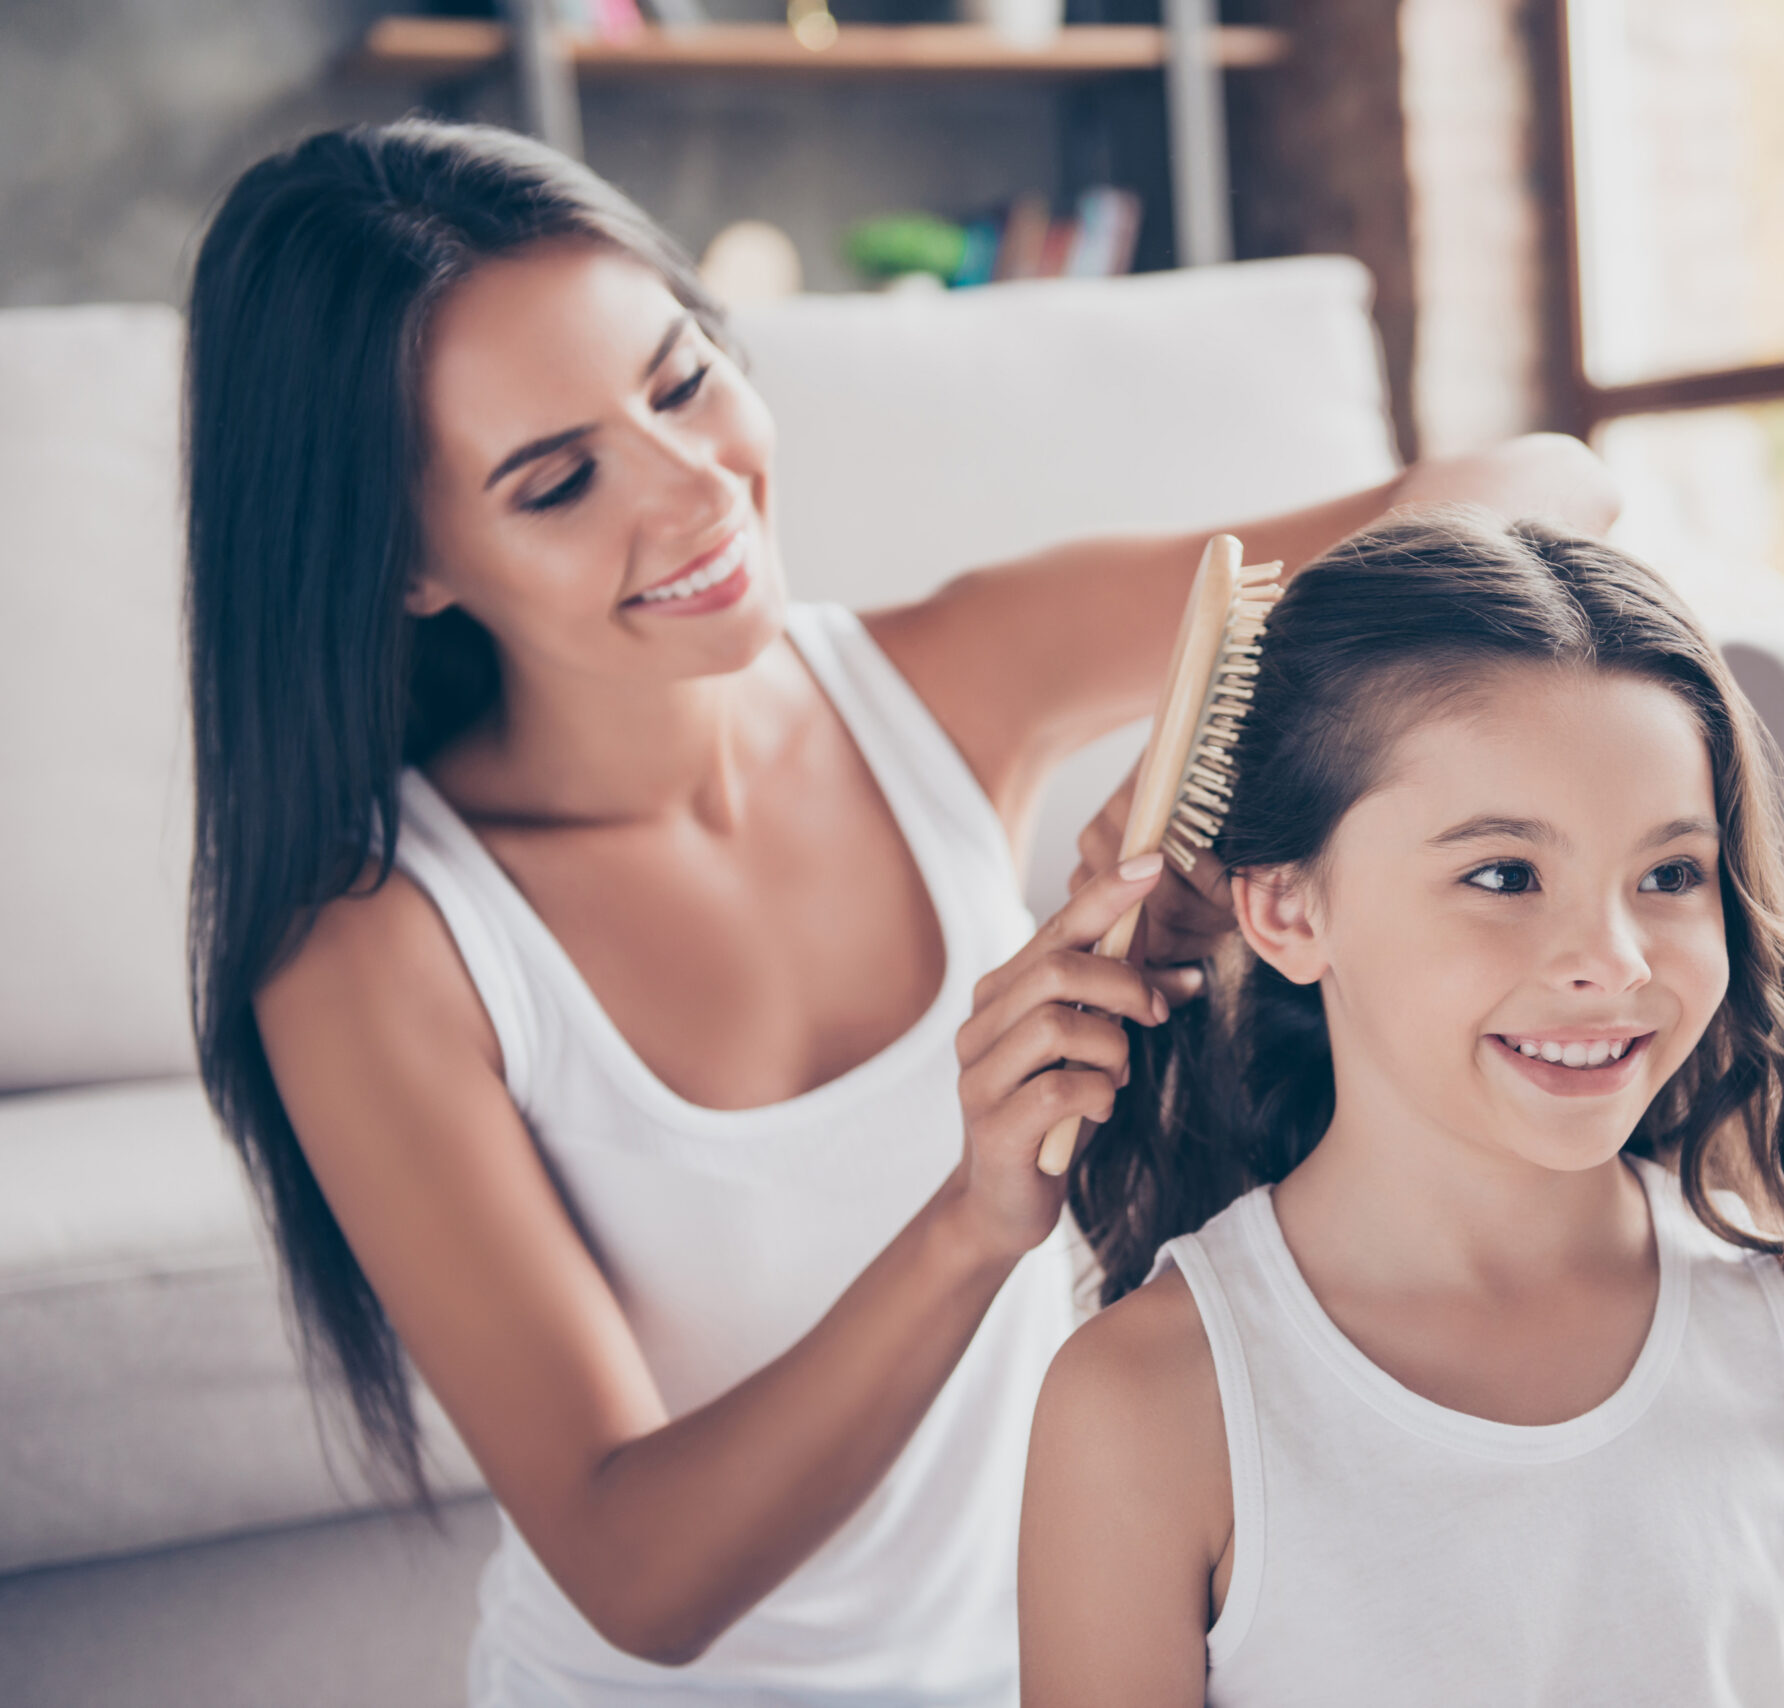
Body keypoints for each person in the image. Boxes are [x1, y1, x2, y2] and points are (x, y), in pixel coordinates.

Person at [185, 119, 1618, 1704]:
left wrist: (1220, 753)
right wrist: (973, 1219)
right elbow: (637, 1576)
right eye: (558, 481)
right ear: (406, 564)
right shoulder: (376, 944)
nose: (691, 493)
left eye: (680, 382)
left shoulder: (945, 677)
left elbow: (1536, 485)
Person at [1018, 516, 1784, 1708]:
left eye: (1669, 874)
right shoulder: (1146, 1405)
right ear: (1288, 911)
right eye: (1503, 875)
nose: (1612, 962)